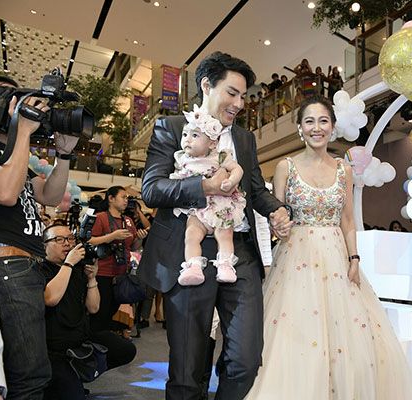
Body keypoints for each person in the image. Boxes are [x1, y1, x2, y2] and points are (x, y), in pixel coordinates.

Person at [139, 51, 291, 399]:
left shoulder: (245, 139)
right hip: (189, 250)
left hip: (239, 252)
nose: (239, 104)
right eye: (232, 93)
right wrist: (204, 187)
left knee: (246, 361)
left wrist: (277, 211)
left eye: (243, 96)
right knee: (187, 370)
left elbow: (255, 190)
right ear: (207, 86)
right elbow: (152, 189)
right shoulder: (171, 128)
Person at [245, 96, 412, 399]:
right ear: (300, 128)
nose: (317, 128)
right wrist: (277, 226)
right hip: (295, 257)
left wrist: (354, 258)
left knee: (346, 335)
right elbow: (278, 213)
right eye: (309, 121)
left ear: (332, 127)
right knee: (296, 332)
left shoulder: (343, 169)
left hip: (337, 258)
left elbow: (348, 220)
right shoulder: (286, 167)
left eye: (323, 121)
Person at [0, 75, 80, 399]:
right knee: (29, 376)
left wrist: (64, 155)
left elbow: (50, 195)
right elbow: (6, 193)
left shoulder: (13, 156)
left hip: (24, 267)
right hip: (8, 265)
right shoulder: (8, 153)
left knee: (26, 372)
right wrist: (22, 132)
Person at [39, 224, 136, 400]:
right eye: (59, 240)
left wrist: (91, 279)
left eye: (70, 238)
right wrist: (68, 263)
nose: (67, 243)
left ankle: (77, 375)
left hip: (81, 338)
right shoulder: (40, 269)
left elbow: (93, 308)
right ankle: (61, 382)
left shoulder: (78, 269)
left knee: (125, 349)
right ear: (44, 245)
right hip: (54, 350)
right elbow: (51, 298)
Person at [169, 105, 246, 285]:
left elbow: (238, 169)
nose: (187, 140)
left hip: (221, 206)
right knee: (191, 234)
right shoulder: (182, 158)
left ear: (212, 143)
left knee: (225, 234)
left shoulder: (219, 156)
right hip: (197, 208)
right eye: (185, 134)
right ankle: (193, 267)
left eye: (195, 135)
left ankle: (226, 265)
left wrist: (231, 181)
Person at [87, 186, 148, 333]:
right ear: (111, 198)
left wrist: (140, 238)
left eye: (127, 198)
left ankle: (104, 339)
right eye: (123, 197)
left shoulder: (128, 220)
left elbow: (132, 246)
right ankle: (96, 340)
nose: (126, 200)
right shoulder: (101, 217)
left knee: (111, 312)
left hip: (121, 274)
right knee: (100, 313)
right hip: (102, 273)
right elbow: (89, 241)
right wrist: (112, 236)